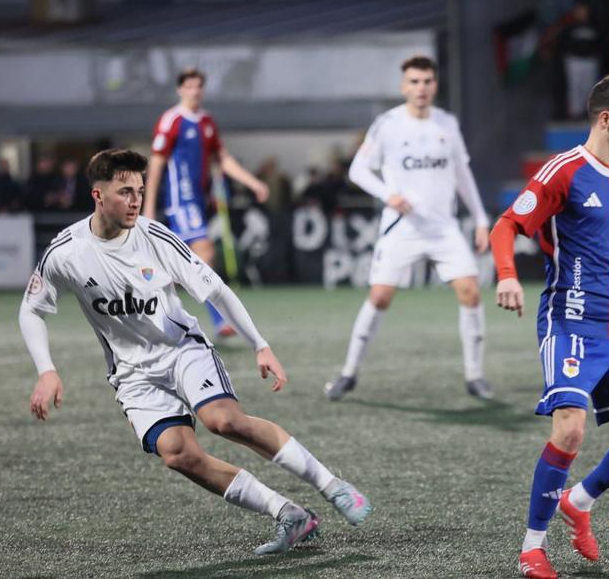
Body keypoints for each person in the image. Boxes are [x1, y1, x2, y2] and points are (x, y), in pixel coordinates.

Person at [19, 149, 371, 555]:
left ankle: (333, 486)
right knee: (177, 453)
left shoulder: (155, 238)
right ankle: (289, 515)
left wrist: (261, 344)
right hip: (132, 374)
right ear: (98, 196)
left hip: (181, 350)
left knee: (223, 421)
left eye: (139, 191)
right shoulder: (66, 252)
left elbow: (217, 290)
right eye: (124, 192)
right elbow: (31, 310)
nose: (135, 200)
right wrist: (46, 370)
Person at [490, 74, 609, 579]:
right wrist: (508, 276)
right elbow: (506, 225)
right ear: (606, 119)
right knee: (570, 430)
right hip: (570, 323)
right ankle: (533, 548)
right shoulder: (563, 171)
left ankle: (580, 499)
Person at [325, 56, 493, 401]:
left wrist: (480, 218)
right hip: (402, 228)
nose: (421, 88)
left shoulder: (447, 123)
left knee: (470, 291)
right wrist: (390, 194)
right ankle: (349, 372)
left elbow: (462, 173)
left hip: (443, 227)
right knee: (380, 296)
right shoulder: (387, 124)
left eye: (427, 81)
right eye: (414, 82)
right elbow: (358, 170)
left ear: (435, 85)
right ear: (404, 86)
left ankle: (475, 376)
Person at [143, 67, 270, 338]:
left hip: (198, 201)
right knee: (204, 252)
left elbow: (222, 159)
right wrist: (149, 207)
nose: (195, 91)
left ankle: (154, 315)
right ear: (180, 89)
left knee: (168, 264)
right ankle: (219, 319)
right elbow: (156, 164)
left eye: (198, 86)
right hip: (181, 199)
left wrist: (253, 183)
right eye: (189, 86)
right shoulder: (172, 120)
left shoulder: (206, 122)